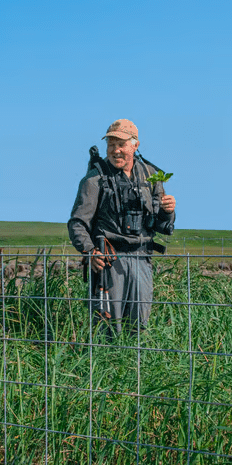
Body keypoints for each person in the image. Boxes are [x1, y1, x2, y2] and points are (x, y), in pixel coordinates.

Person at [67, 119, 177, 330]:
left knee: (139, 325)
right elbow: (77, 223)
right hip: (109, 261)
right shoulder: (94, 180)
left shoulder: (152, 176)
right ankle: (104, 361)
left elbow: (161, 227)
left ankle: (134, 363)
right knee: (108, 326)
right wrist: (90, 252)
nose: (115, 150)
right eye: (111, 144)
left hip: (142, 258)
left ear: (135, 145)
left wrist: (168, 212)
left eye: (121, 144)